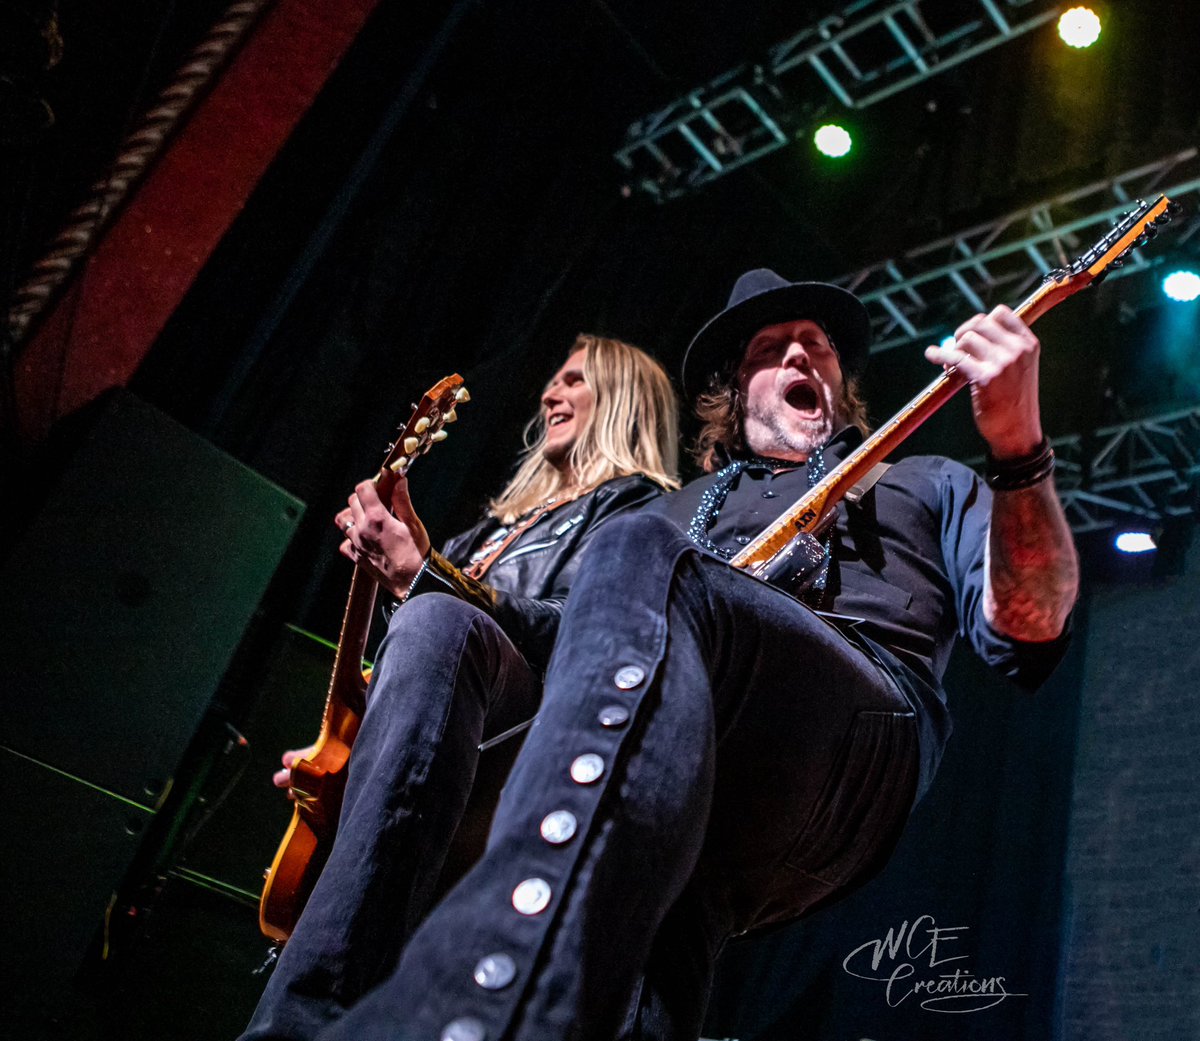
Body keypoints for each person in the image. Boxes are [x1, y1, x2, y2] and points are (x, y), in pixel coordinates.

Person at [256, 267, 1079, 1041]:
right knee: (439, 626)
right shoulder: (674, 512)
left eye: (818, 344)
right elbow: (557, 639)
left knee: (642, 554)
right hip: (677, 754)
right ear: (730, 389)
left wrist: (1018, 445)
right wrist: (418, 588)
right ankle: (303, 1014)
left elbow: (1028, 624)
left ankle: (483, 993)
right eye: (770, 347)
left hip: (849, 747)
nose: (800, 352)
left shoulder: (925, 479)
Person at [241, 334, 680, 1041]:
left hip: (522, 747)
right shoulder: (491, 528)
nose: (548, 393)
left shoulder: (640, 509)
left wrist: (429, 579)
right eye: (552, 379)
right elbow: (418, 659)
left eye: (574, 379)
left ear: (622, 399)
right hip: (453, 748)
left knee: (438, 618)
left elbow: (587, 631)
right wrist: (357, 751)